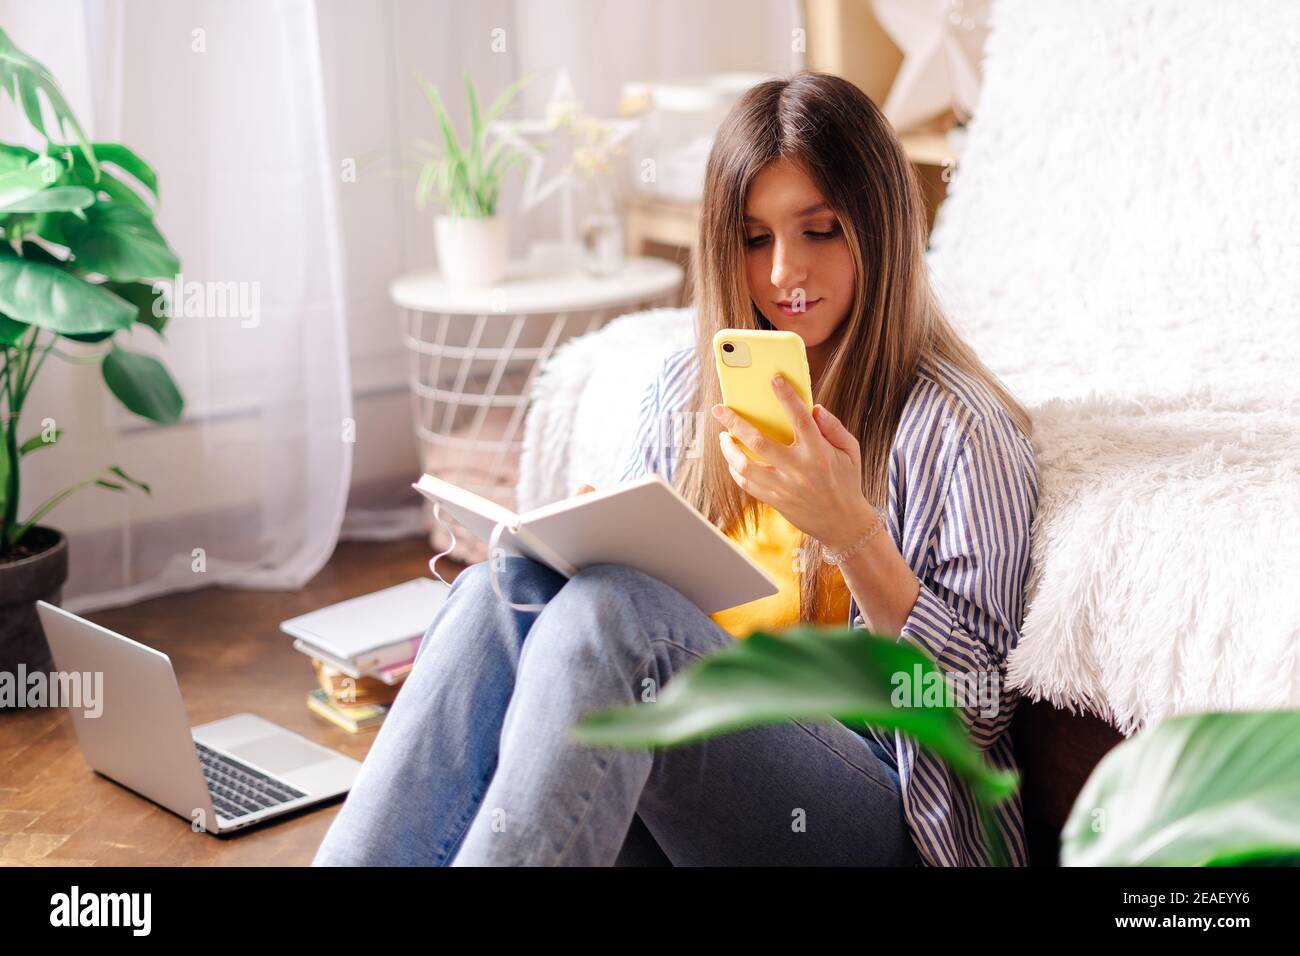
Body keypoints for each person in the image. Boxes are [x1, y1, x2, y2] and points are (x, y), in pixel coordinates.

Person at [313, 71, 1038, 867]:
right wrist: (566, 549)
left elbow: (972, 711)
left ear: (883, 227)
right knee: (501, 589)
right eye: (756, 239)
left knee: (618, 615)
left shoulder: (961, 430)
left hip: (871, 812)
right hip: (687, 797)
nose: (784, 272)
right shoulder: (681, 397)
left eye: (820, 229)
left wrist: (853, 535)